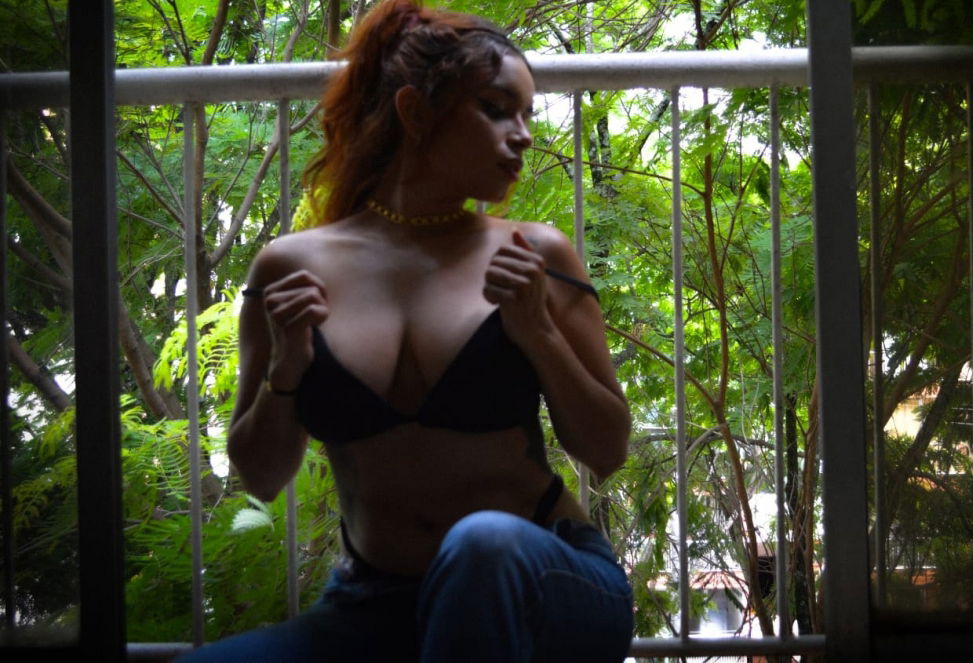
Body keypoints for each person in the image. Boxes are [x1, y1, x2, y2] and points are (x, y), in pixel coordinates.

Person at [177, 1, 634, 661]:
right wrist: (287, 372)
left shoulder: (537, 255)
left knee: (483, 543)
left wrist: (539, 333)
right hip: (376, 605)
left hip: (545, 585)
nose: (524, 135)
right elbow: (261, 475)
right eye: (497, 109)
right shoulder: (289, 268)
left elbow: (608, 448)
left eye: (528, 115)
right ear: (415, 111)